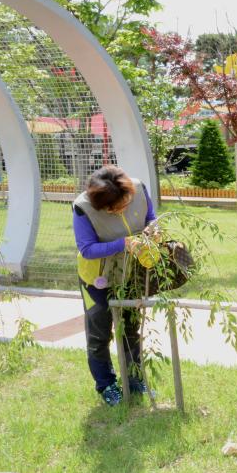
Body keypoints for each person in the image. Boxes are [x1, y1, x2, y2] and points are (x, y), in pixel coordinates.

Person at [73, 165, 156, 406]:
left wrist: (153, 230)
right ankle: (106, 384)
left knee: (130, 329)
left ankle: (134, 378)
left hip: (129, 275)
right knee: (99, 335)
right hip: (96, 280)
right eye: (113, 208)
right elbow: (87, 249)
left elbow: (151, 217)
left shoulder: (139, 189)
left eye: (124, 203)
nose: (121, 210)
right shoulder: (82, 208)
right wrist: (124, 243)